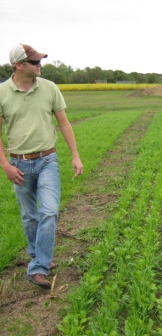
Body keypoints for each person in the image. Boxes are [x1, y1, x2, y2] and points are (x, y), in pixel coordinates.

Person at [0, 43, 83, 289]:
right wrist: (5, 165)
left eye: (39, 61)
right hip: (19, 164)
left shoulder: (50, 88)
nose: (40, 65)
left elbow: (65, 124)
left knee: (49, 211)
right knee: (29, 216)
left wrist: (75, 155)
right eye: (34, 62)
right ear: (19, 65)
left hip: (48, 160)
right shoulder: (2, 93)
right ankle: (39, 255)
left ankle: (38, 267)